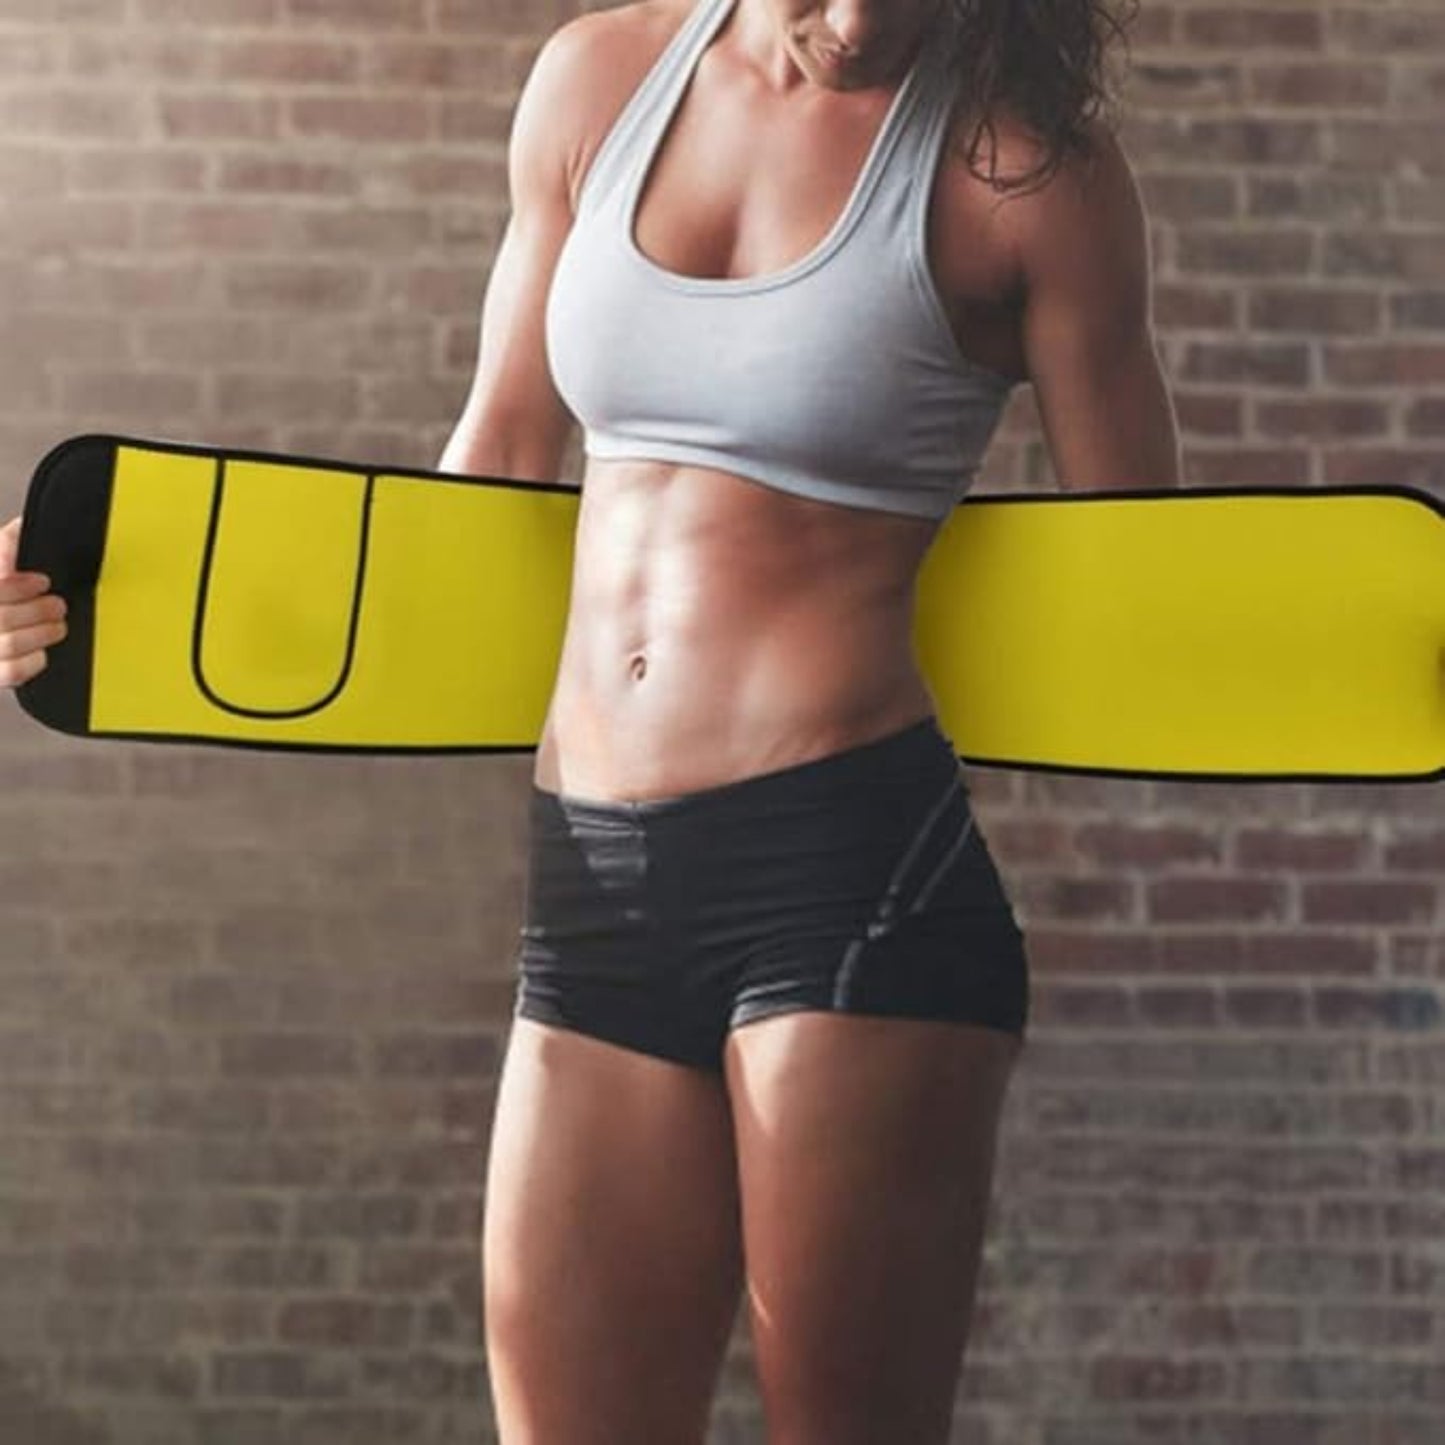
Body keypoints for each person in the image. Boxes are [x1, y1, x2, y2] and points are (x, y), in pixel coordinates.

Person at [0, 0, 1180, 1440]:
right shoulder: (598, 83)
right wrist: (108, 594)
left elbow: (1147, 581)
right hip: (594, 883)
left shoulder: (1026, 173)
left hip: (853, 879)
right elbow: (489, 465)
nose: (859, 18)